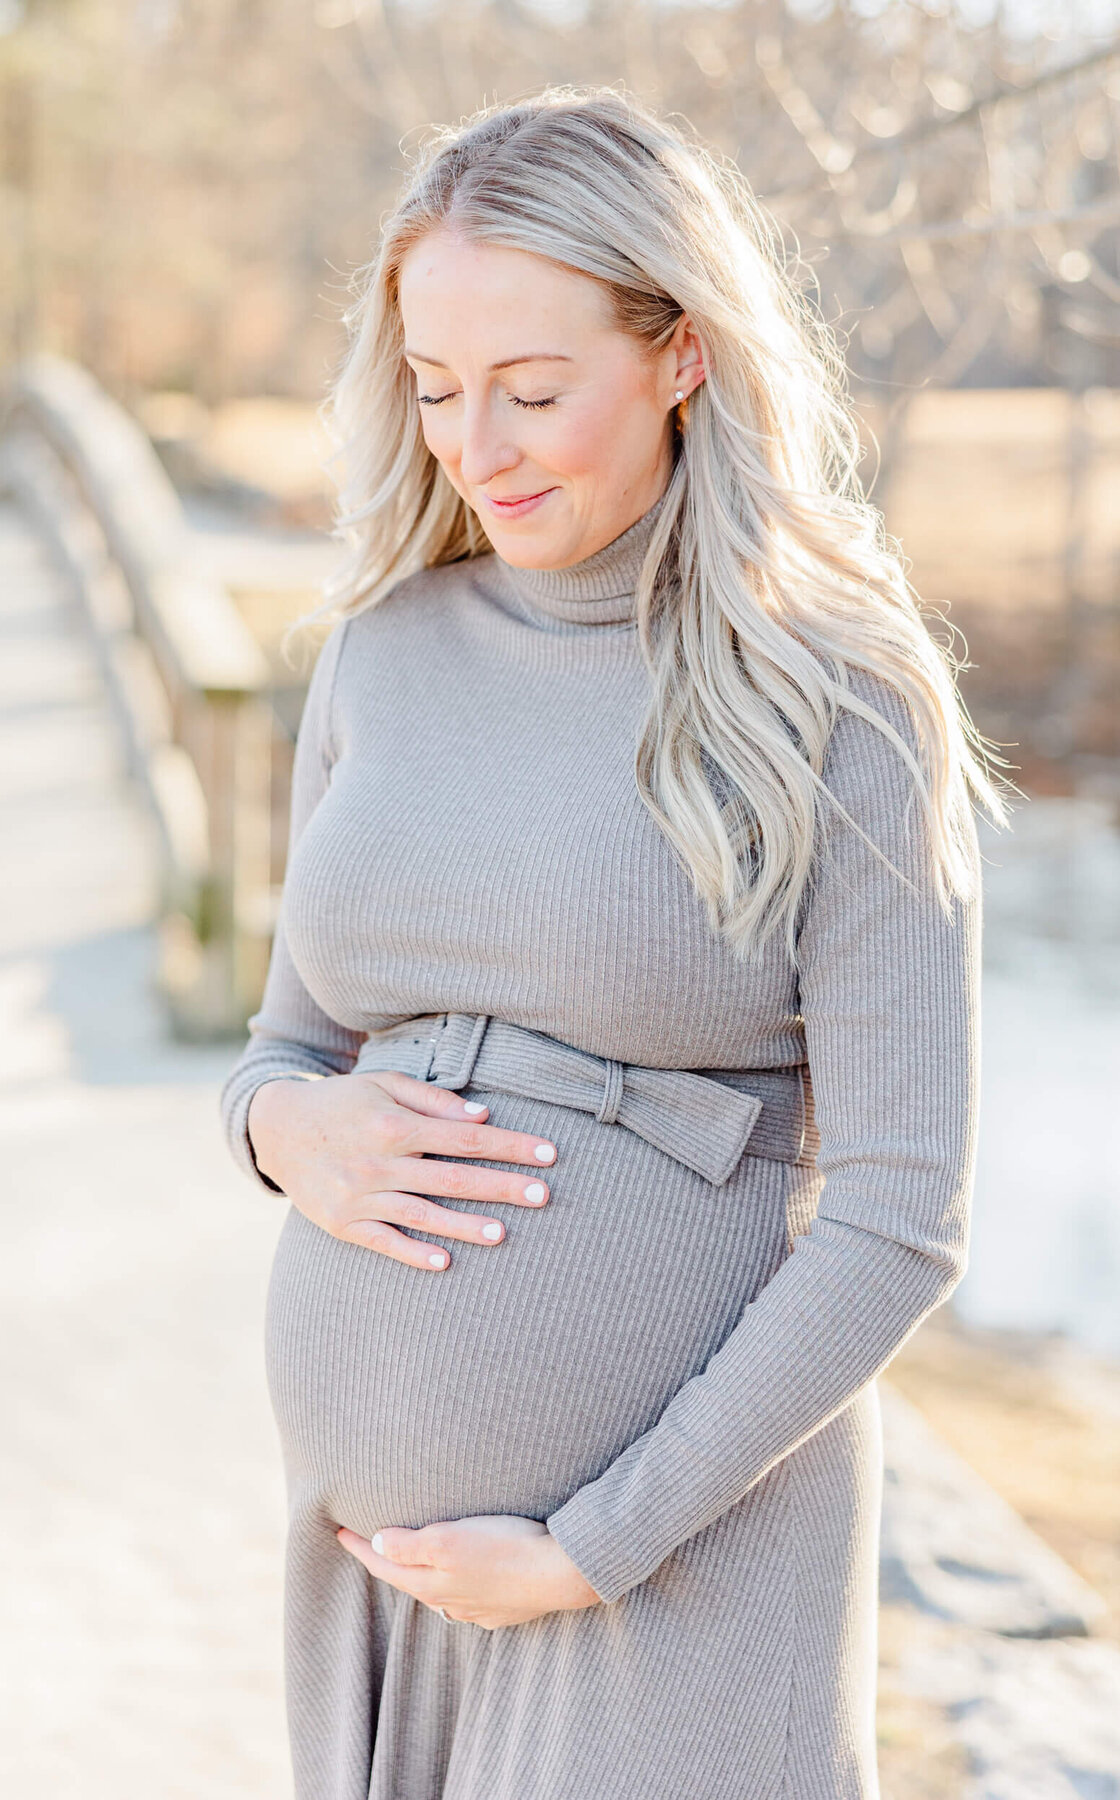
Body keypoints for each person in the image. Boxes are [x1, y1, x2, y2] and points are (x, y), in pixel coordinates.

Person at [218, 86, 1005, 1800]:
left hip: (674, 1584)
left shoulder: (836, 692)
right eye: (433, 389)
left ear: (682, 355)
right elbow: (285, 1045)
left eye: (532, 389)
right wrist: (283, 1132)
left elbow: (898, 1218)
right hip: (376, 1586)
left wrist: (590, 1543)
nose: (473, 445)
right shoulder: (380, 655)